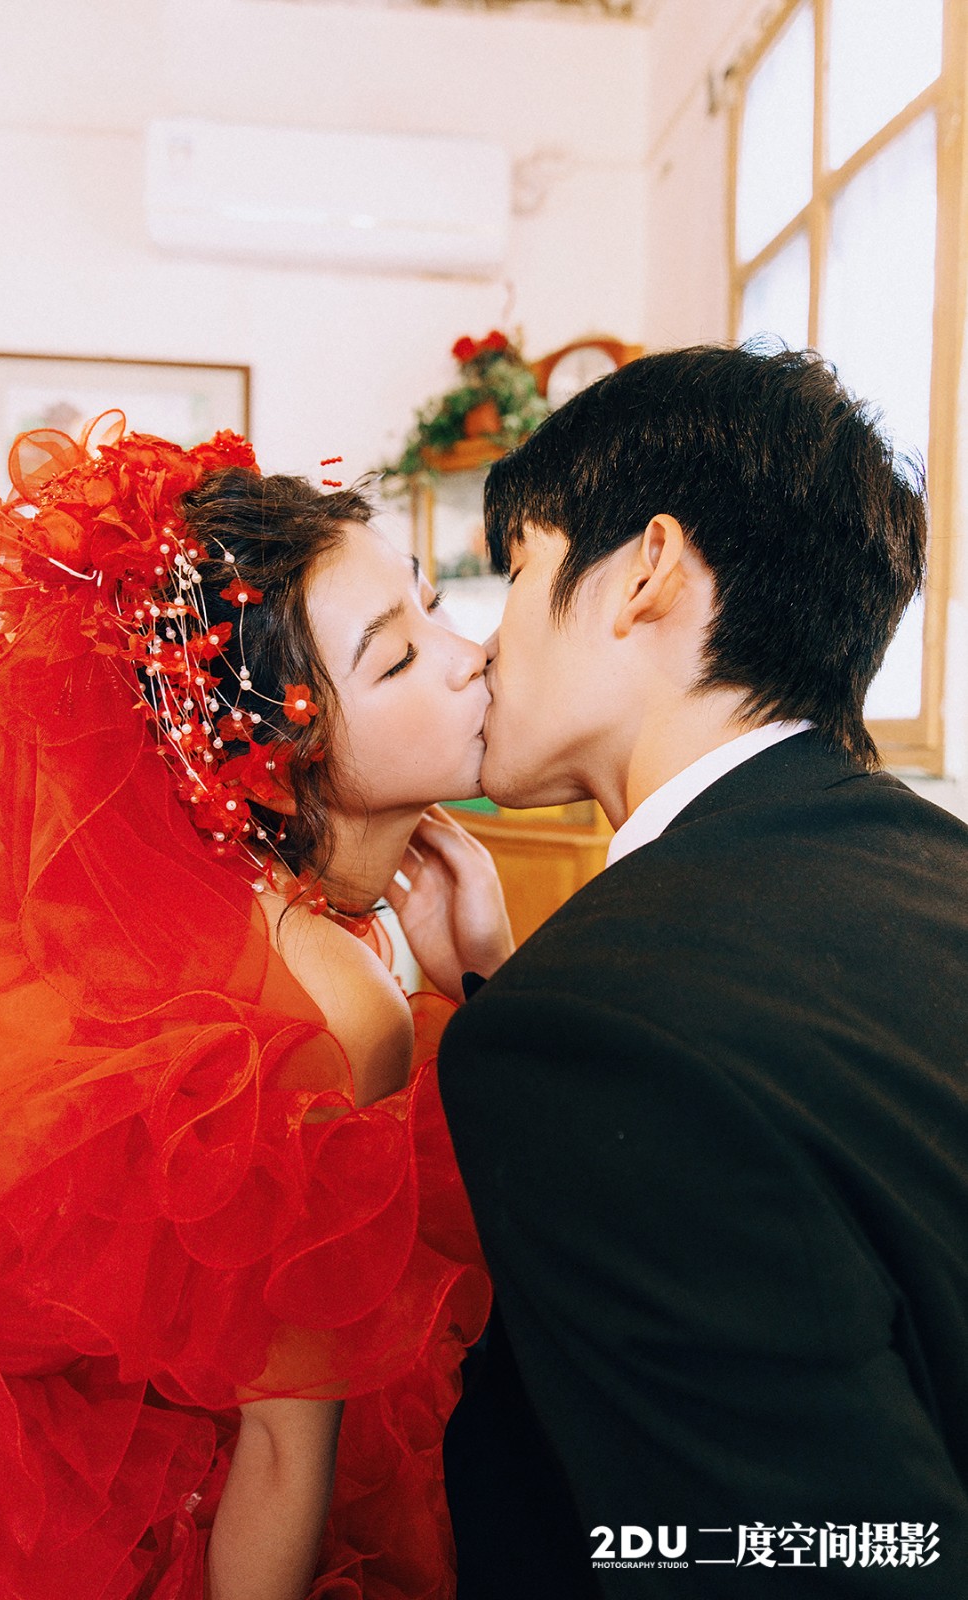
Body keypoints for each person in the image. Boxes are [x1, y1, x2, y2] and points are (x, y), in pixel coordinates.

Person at [0, 412, 512, 1599]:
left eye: (432, 605)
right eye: (394, 658)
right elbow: (286, 1445)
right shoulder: (332, 1003)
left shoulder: (206, 918)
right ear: (275, 761)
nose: (466, 656)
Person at [438, 345, 968, 1594]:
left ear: (645, 571)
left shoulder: (593, 1034)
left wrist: (539, 1007)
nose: (482, 646)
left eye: (516, 571)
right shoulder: (933, 866)